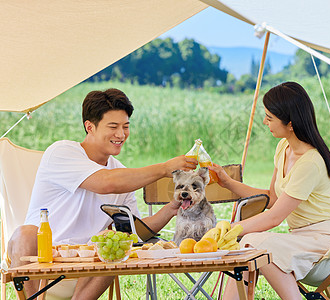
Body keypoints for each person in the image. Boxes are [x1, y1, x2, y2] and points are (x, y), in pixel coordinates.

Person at [7, 88, 197, 299]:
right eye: (113, 127)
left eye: (126, 127)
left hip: (89, 273)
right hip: (40, 265)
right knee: (25, 233)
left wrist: (172, 208)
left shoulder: (121, 174)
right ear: (90, 127)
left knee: (118, 237)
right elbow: (105, 183)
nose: (121, 134)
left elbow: (136, 231)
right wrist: (164, 168)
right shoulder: (62, 152)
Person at [210, 82, 330, 299]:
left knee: (256, 242)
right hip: (301, 238)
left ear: (290, 123)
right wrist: (228, 183)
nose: (264, 122)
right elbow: (272, 198)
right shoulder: (284, 148)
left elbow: (274, 218)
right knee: (252, 244)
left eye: (269, 117)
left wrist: (228, 230)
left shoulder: (310, 162)